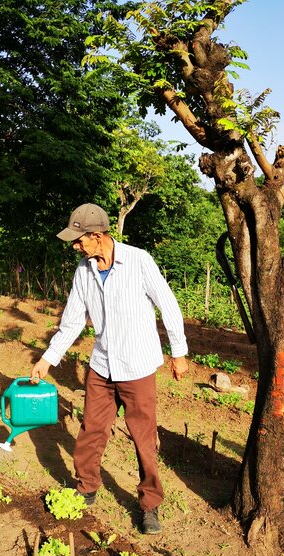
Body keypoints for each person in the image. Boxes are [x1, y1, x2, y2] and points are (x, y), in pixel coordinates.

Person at [31, 203, 189, 534]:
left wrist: (179, 352)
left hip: (137, 366)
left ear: (97, 235)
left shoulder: (138, 261)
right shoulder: (83, 271)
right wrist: (48, 359)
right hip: (102, 365)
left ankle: (149, 504)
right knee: (91, 428)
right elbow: (72, 321)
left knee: (143, 437)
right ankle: (87, 486)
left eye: (79, 240)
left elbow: (168, 304)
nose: (75, 246)